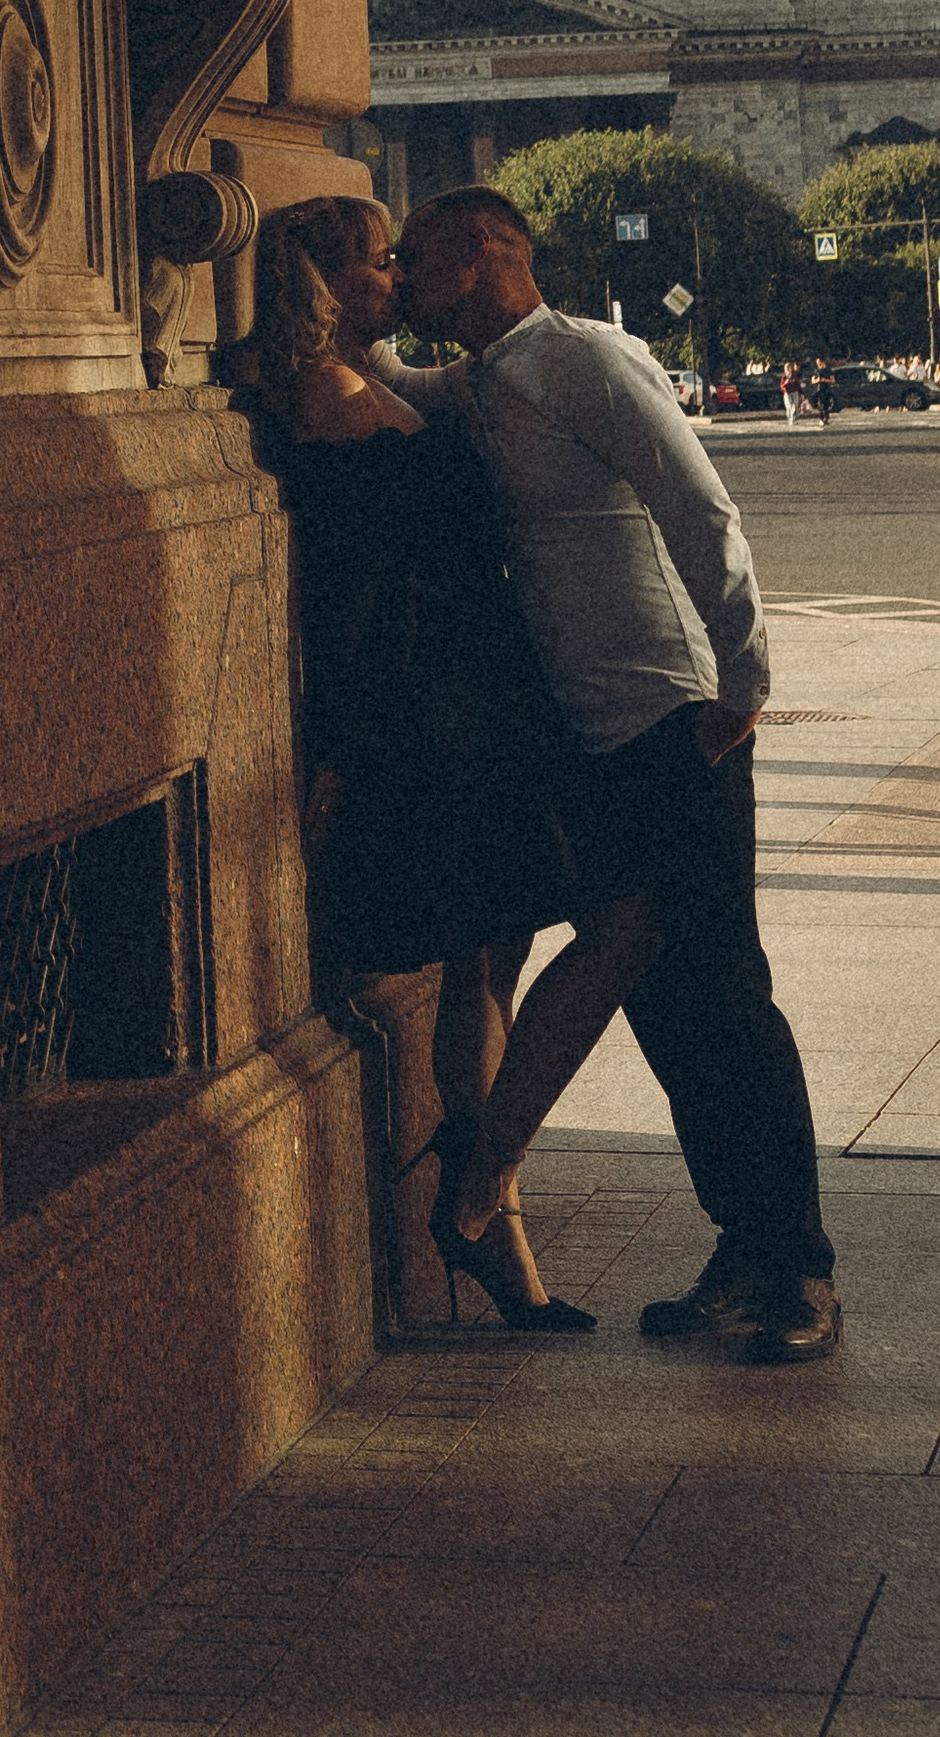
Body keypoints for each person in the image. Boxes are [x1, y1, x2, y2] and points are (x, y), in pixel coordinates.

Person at [389, 186, 841, 1366]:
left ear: (485, 250)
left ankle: (797, 1270)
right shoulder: (486, 378)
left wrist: (741, 685)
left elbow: (702, 508)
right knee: (663, 1004)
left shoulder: (580, 357)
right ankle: (743, 1248)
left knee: (726, 997)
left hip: (669, 715)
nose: (399, 269)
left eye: (415, 254)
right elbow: (391, 386)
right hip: (589, 734)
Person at [247, 197, 662, 1331]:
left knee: (489, 965)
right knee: (567, 934)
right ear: (329, 286)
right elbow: (364, 597)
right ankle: (483, 1210)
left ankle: (491, 1226)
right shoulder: (333, 406)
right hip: (436, 713)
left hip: (472, 699)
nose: (394, 275)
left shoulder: (370, 384)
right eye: (376, 262)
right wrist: (351, 748)